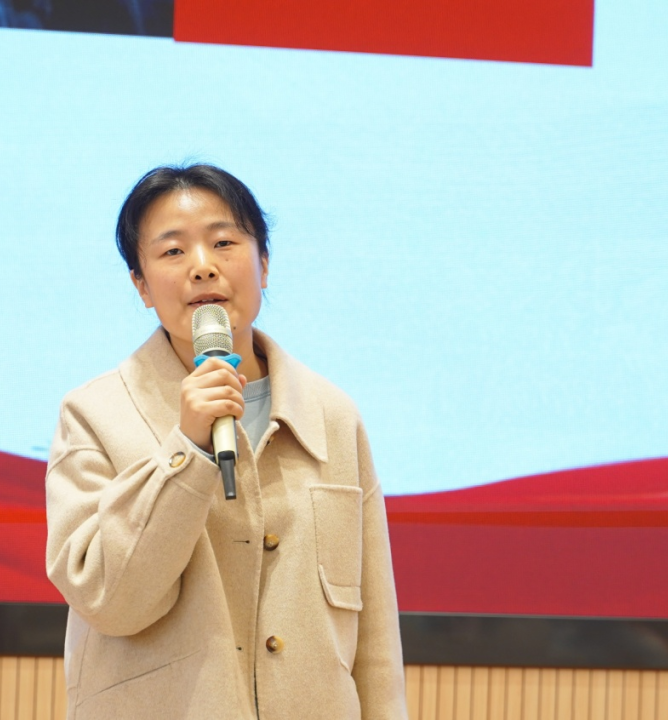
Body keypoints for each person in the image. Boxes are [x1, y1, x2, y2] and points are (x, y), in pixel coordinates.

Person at [45, 164, 407, 719]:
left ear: (264, 264)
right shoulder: (94, 415)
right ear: (141, 285)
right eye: (172, 251)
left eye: (224, 243)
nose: (203, 266)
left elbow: (375, 641)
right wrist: (188, 450)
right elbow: (108, 601)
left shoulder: (332, 416)